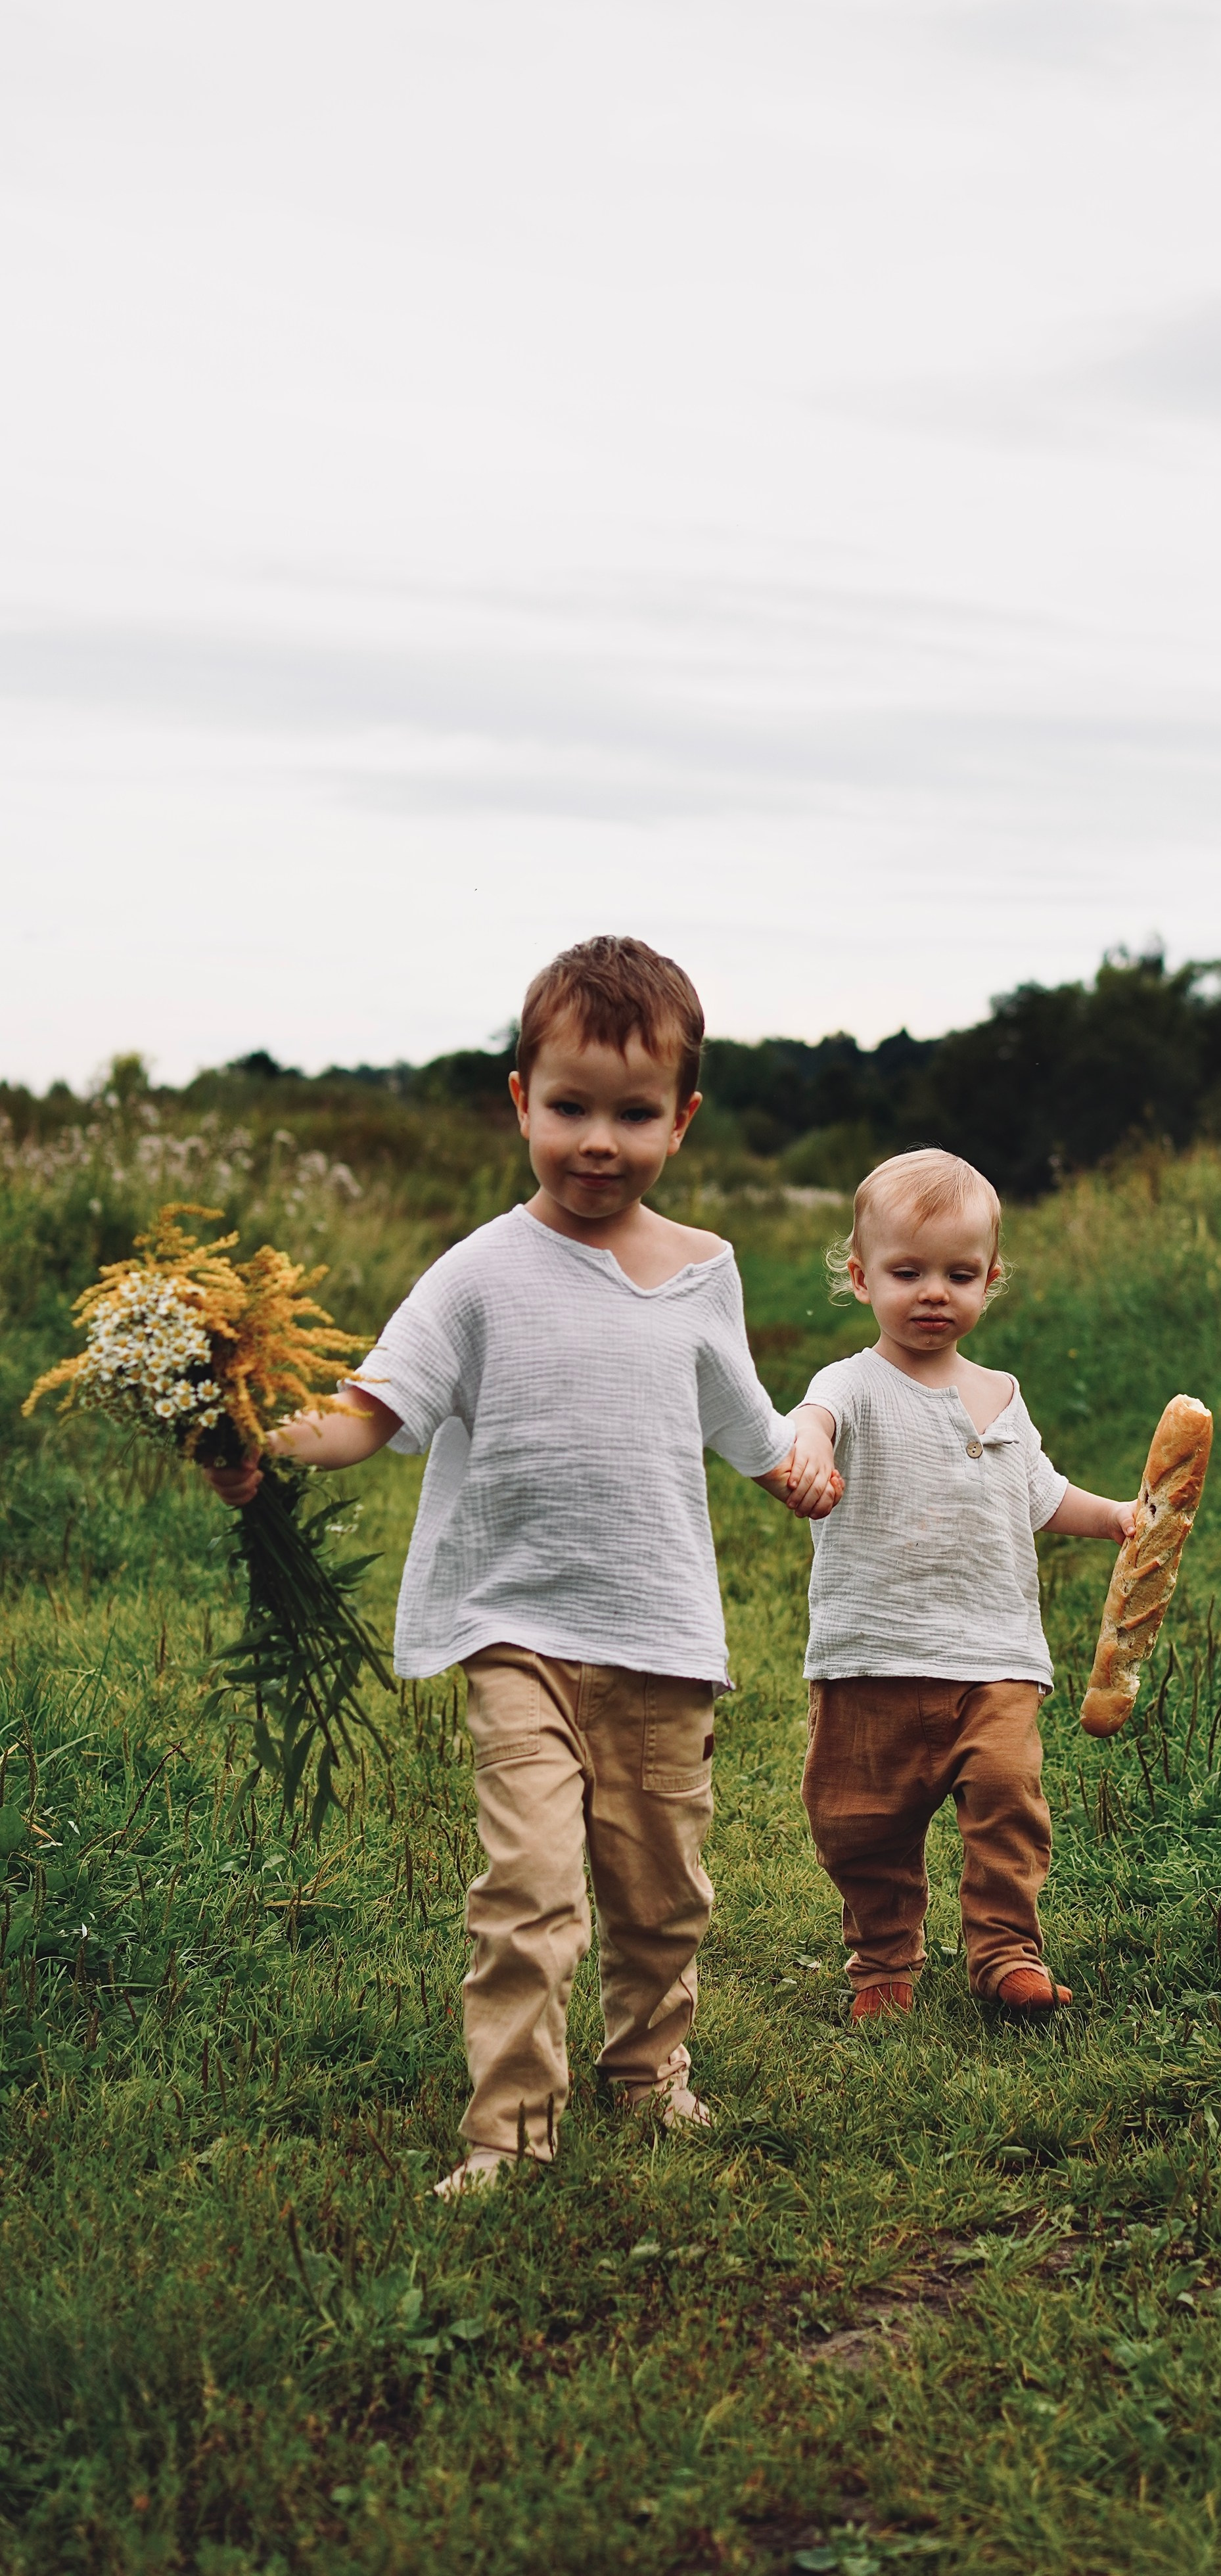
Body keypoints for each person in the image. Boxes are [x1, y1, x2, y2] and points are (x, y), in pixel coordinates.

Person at [208, 936, 840, 2188]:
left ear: (682, 1120)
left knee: (661, 1894)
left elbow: (743, 1419)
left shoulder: (704, 1272)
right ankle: (507, 2134)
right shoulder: (479, 1275)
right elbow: (366, 1414)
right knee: (530, 1889)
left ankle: (650, 2071)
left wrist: (797, 1461)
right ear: (520, 1101)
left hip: (659, 1633)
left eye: (632, 1114)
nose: (597, 1141)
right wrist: (257, 1439)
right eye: (568, 1109)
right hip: (516, 1636)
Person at [788, 1148, 1134, 2025]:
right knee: (861, 1825)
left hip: (994, 1653)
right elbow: (811, 1421)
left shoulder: (1001, 1395)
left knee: (1010, 1800)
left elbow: (1039, 1494)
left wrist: (1117, 1518)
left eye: (958, 1273)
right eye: (907, 1272)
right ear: (862, 1278)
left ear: (990, 1279)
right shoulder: (849, 1385)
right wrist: (810, 1452)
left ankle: (1005, 1953)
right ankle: (883, 1962)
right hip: (874, 1651)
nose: (933, 1292)